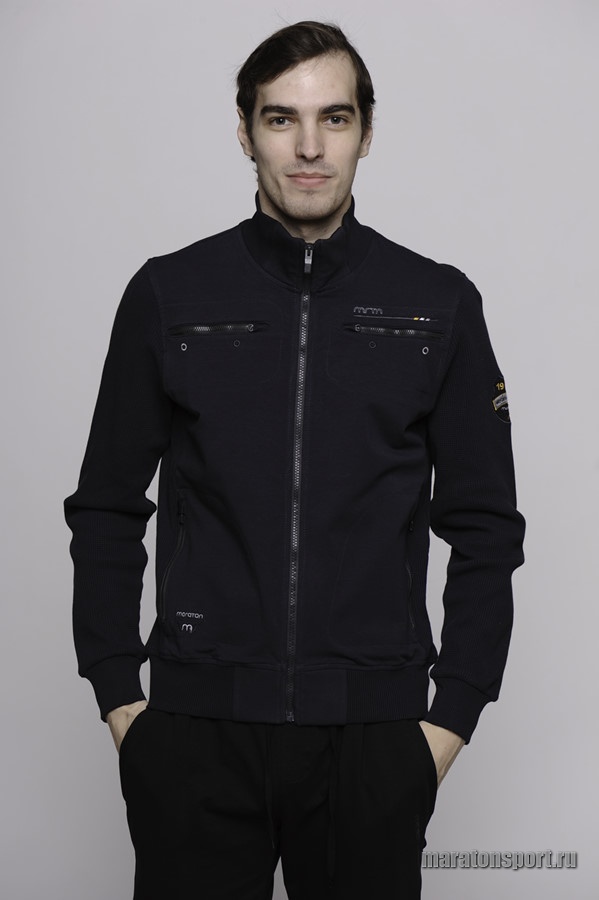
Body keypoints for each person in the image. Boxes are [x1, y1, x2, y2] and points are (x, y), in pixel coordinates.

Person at [64, 20, 525, 900]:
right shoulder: (169, 294)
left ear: (365, 132)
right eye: (281, 119)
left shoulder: (436, 304)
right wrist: (123, 701)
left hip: (374, 743)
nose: (309, 147)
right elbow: (106, 508)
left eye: (333, 118)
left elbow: (486, 528)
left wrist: (448, 721)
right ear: (245, 133)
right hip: (194, 737)